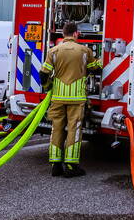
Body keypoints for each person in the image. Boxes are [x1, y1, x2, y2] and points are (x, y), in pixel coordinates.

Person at [42, 21, 99, 178]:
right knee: (74, 129)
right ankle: (71, 165)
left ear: (62, 34)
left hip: (57, 98)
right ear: (76, 34)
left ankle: (55, 165)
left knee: (56, 129)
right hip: (76, 98)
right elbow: (95, 68)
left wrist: (48, 87)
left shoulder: (53, 51)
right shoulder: (84, 50)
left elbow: (44, 73)